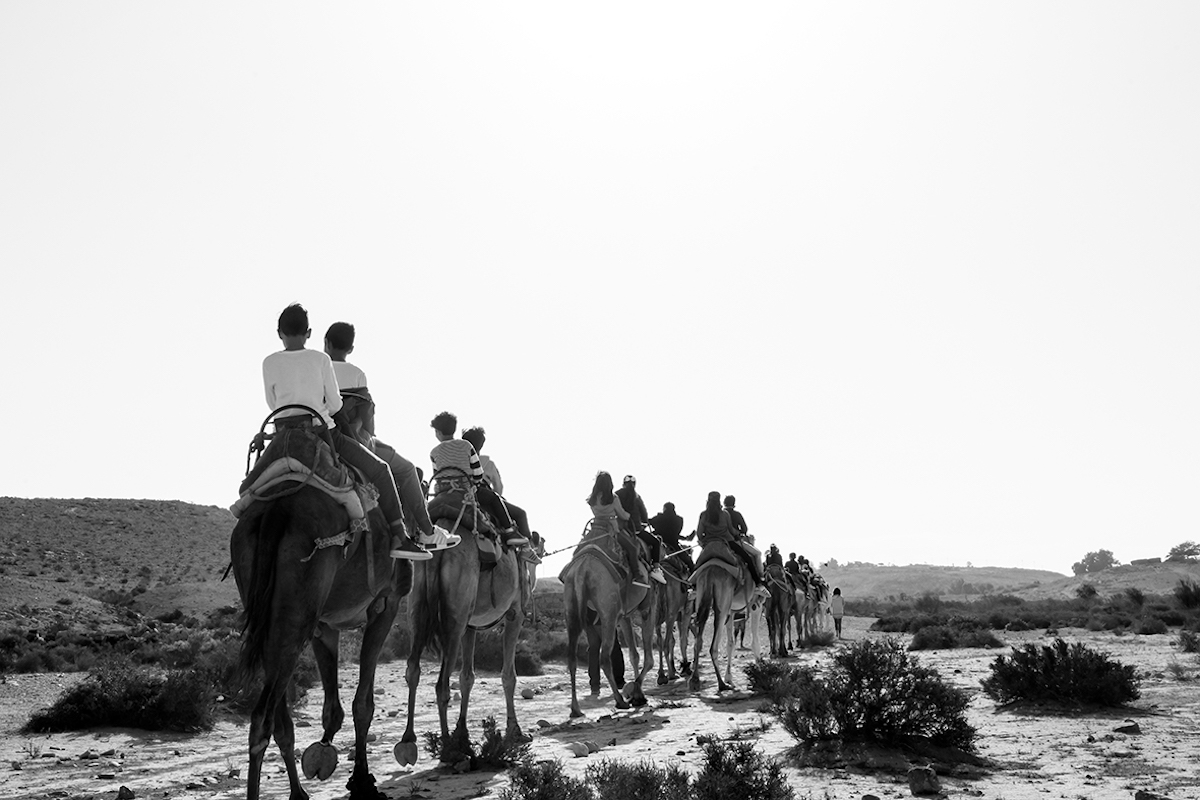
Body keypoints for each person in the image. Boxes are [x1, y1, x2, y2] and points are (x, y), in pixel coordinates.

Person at [261, 304, 429, 560]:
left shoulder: (269, 362)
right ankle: (399, 536)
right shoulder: (320, 359)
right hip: (320, 434)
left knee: (251, 485)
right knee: (381, 470)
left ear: (278, 333)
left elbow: (273, 404)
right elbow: (336, 404)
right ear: (308, 333)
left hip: (283, 436)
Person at [323, 321, 459, 552]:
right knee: (406, 470)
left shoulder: (318, 369)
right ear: (351, 348)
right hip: (354, 440)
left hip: (318, 436)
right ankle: (426, 531)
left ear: (326, 343)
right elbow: (367, 419)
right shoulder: (357, 374)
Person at [429, 412, 527, 546]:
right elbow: (478, 473)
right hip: (465, 492)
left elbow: (437, 474)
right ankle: (510, 531)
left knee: (423, 516)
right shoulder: (466, 446)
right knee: (494, 498)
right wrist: (474, 484)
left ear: (438, 433)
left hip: (443, 494)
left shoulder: (434, 452)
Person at [461, 426, 536, 561]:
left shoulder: (458, 459)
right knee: (520, 514)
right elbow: (498, 487)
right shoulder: (487, 462)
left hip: (458, 496)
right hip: (483, 497)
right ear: (481, 445)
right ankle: (526, 550)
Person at [695, 491, 767, 597]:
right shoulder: (725, 514)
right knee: (747, 558)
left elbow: (699, 534)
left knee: (697, 564)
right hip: (727, 542)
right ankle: (758, 584)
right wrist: (738, 534)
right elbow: (731, 530)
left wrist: (704, 540)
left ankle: (693, 588)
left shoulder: (703, 515)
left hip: (709, 543)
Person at [587, 471, 649, 590]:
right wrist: (628, 516)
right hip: (611, 529)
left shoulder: (593, 499)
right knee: (632, 548)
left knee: (580, 549)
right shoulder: (612, 498)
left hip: (595, 528)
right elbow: (622, 515)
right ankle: (637, 575)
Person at [617, 475, 665, 584]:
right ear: (634, 485)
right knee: (655, 542)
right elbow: (644, 515)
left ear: (623, 484)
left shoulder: (617, 495)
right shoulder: (637, 497)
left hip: (620, 529)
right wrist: (643, 521)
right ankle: (656, 569)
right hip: (636, 531)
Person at [648, 501, 694, 572]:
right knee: (689, 562)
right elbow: (674, 534)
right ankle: (692, 580)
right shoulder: (679, 520)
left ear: (664, 508)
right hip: (673, 544)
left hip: (659, 542)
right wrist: (685, 538)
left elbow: (648, 521)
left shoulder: (659, 517)